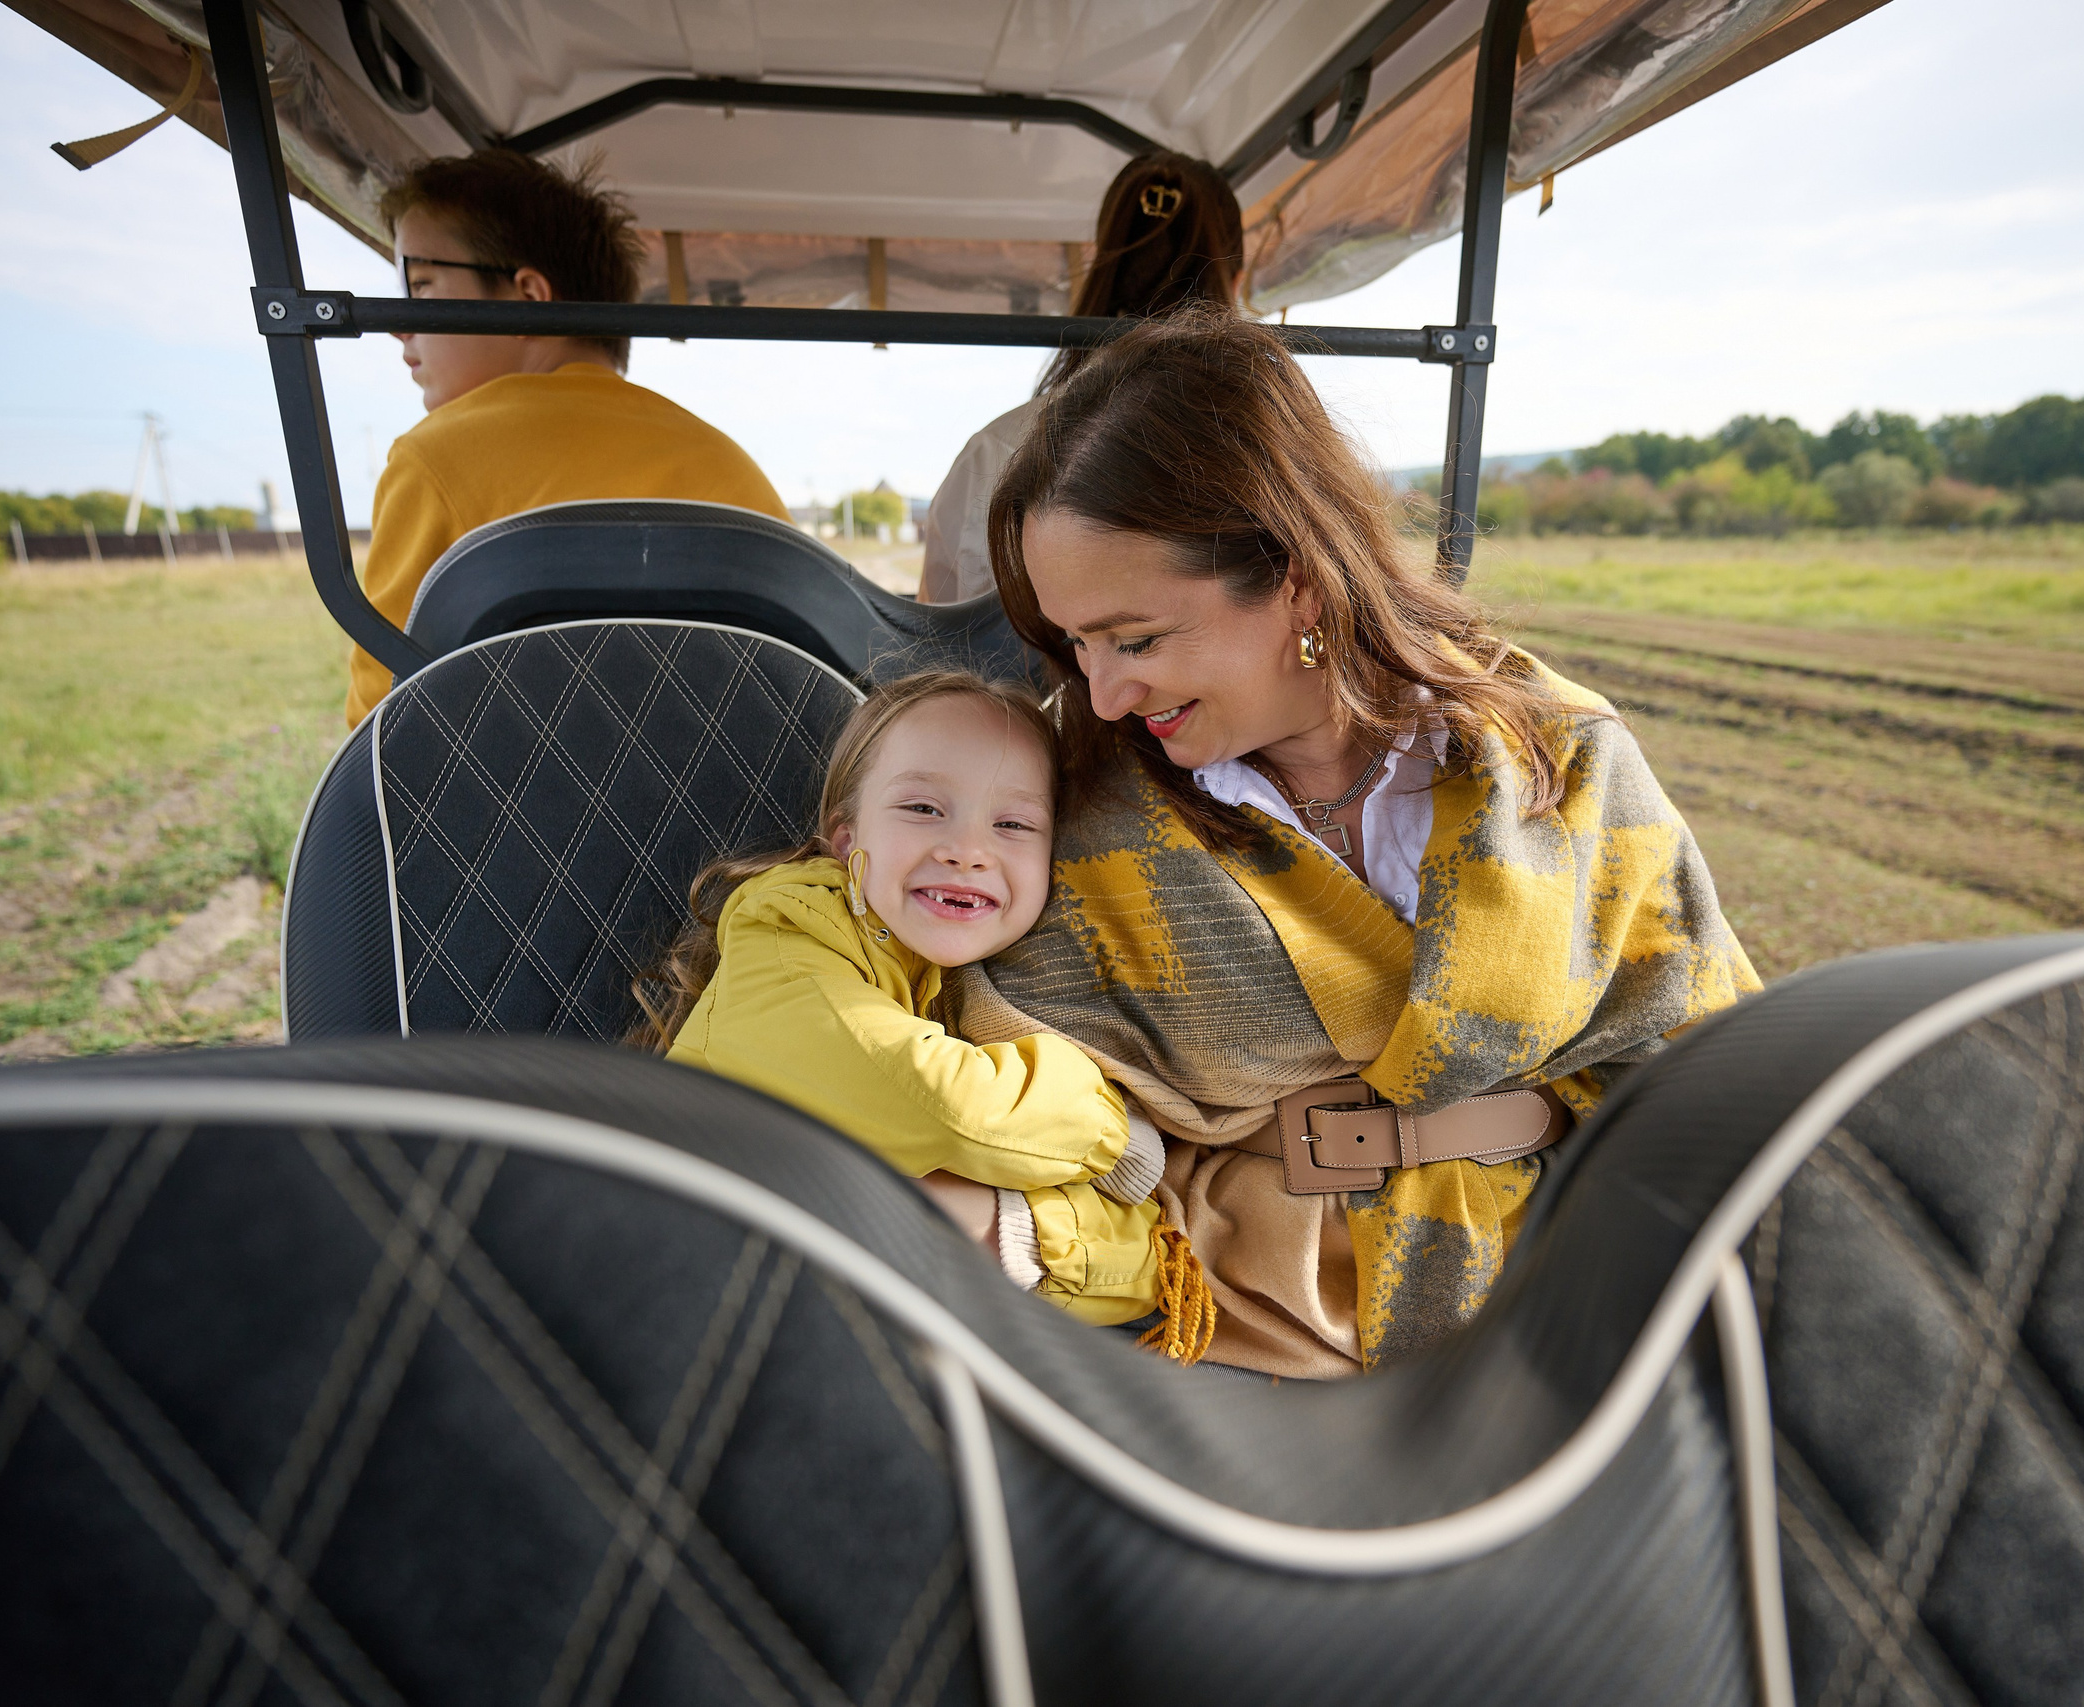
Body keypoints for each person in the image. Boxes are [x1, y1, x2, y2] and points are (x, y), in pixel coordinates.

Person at [956, 304, 1763, 1378]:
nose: (1102, 695)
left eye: (1136, 638)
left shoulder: (1559, 759)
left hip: (1578, 1310)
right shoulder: (1065, 804)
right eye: (1075, 646)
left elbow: (1713, 1065)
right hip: (1231, 1343)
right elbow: (1002, 1090)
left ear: (1292, 573)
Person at [637, 669, 1214, 1360]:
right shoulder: (787, 932)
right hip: (674, 1283)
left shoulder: (976, 988)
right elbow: (940, 1102)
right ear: (845, 840)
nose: (966, 850)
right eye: (922, 809)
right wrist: (1112, 1127)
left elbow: (1145, 1278)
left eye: (1012, 824)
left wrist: (1020, 1225)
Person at [346, 150, 788, 724]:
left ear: (527, 296)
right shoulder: (728, 463)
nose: (399, 323)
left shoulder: (434, 458)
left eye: (423, 285)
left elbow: (376, 730)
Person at [916, 151, 1242, 605]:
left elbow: (941, 633)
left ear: (1103, 264)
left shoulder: (994, 452)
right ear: (1237, 281)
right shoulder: (1274, 453)